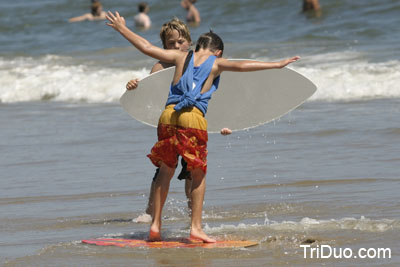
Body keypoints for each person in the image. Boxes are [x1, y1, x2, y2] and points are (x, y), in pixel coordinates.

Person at [106, 11, 299, 243]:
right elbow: (243, 66)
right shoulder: (217, 62)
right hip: (191, 118)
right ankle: (196, 228)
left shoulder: (179, 58)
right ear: (218, 51)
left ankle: (155, 225)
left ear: (195, 45)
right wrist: (277, 64)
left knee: (165, 170)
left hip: (168, 116)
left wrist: (121, 28)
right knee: (198, 173)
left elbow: (146, 46)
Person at [129, 18, 231, 224]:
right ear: (164, 45)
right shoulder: (160, 66)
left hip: (192, 122)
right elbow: (150, 94)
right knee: (163, 168)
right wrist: (133, 86)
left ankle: (191, 211)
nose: (176, 46)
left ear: (190, 42)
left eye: (180, 41)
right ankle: (150, 212)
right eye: (171, 43)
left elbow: (212, 95)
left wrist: (223, 124)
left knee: (191, 170)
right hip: (170, 120)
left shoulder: (197, 62)